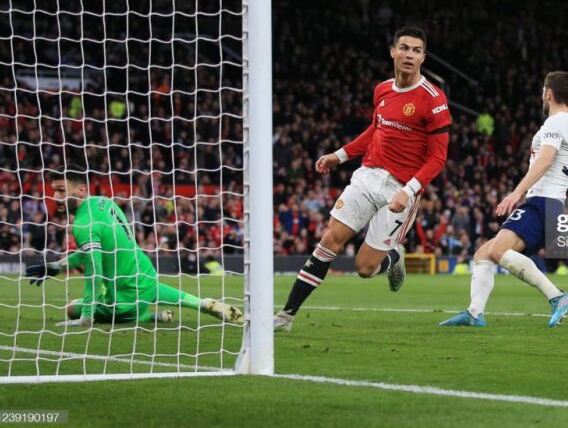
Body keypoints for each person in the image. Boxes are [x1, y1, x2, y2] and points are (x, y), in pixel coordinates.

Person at [274, 27, 452, 331]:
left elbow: (438, 158)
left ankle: (394, 257)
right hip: (367, 176)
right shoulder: (382, 90)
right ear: (393, 52)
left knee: (365, 268)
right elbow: (375, 130)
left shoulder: (433, 99)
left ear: (423, 57)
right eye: (404, 48)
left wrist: (409, 191)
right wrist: (339, 155)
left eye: (416, 50)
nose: (409, 55)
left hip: (400, 189)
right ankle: (286, 316)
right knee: (329, 240)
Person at [440, 19, 568, 328]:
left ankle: (557, 296)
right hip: (552, 205)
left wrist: (516, 192)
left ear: (548, 94)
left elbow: (545, 161)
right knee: (484, 252)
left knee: (498, 251)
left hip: (542, 202)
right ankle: (474, 312)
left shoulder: (554, 124)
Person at [25, 168, 242, 326]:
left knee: (72, 307)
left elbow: (94, 271)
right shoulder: (104, 202)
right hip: (146, 276)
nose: (55, 198)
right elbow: (92, 252)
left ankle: (147, 317)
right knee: (149, 288)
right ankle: (202, 303)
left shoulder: (83, 224)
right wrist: (57, 266)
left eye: (61, 191)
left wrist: (87, 317)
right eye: (54, 191)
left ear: (81, 191)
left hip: (126, 299)